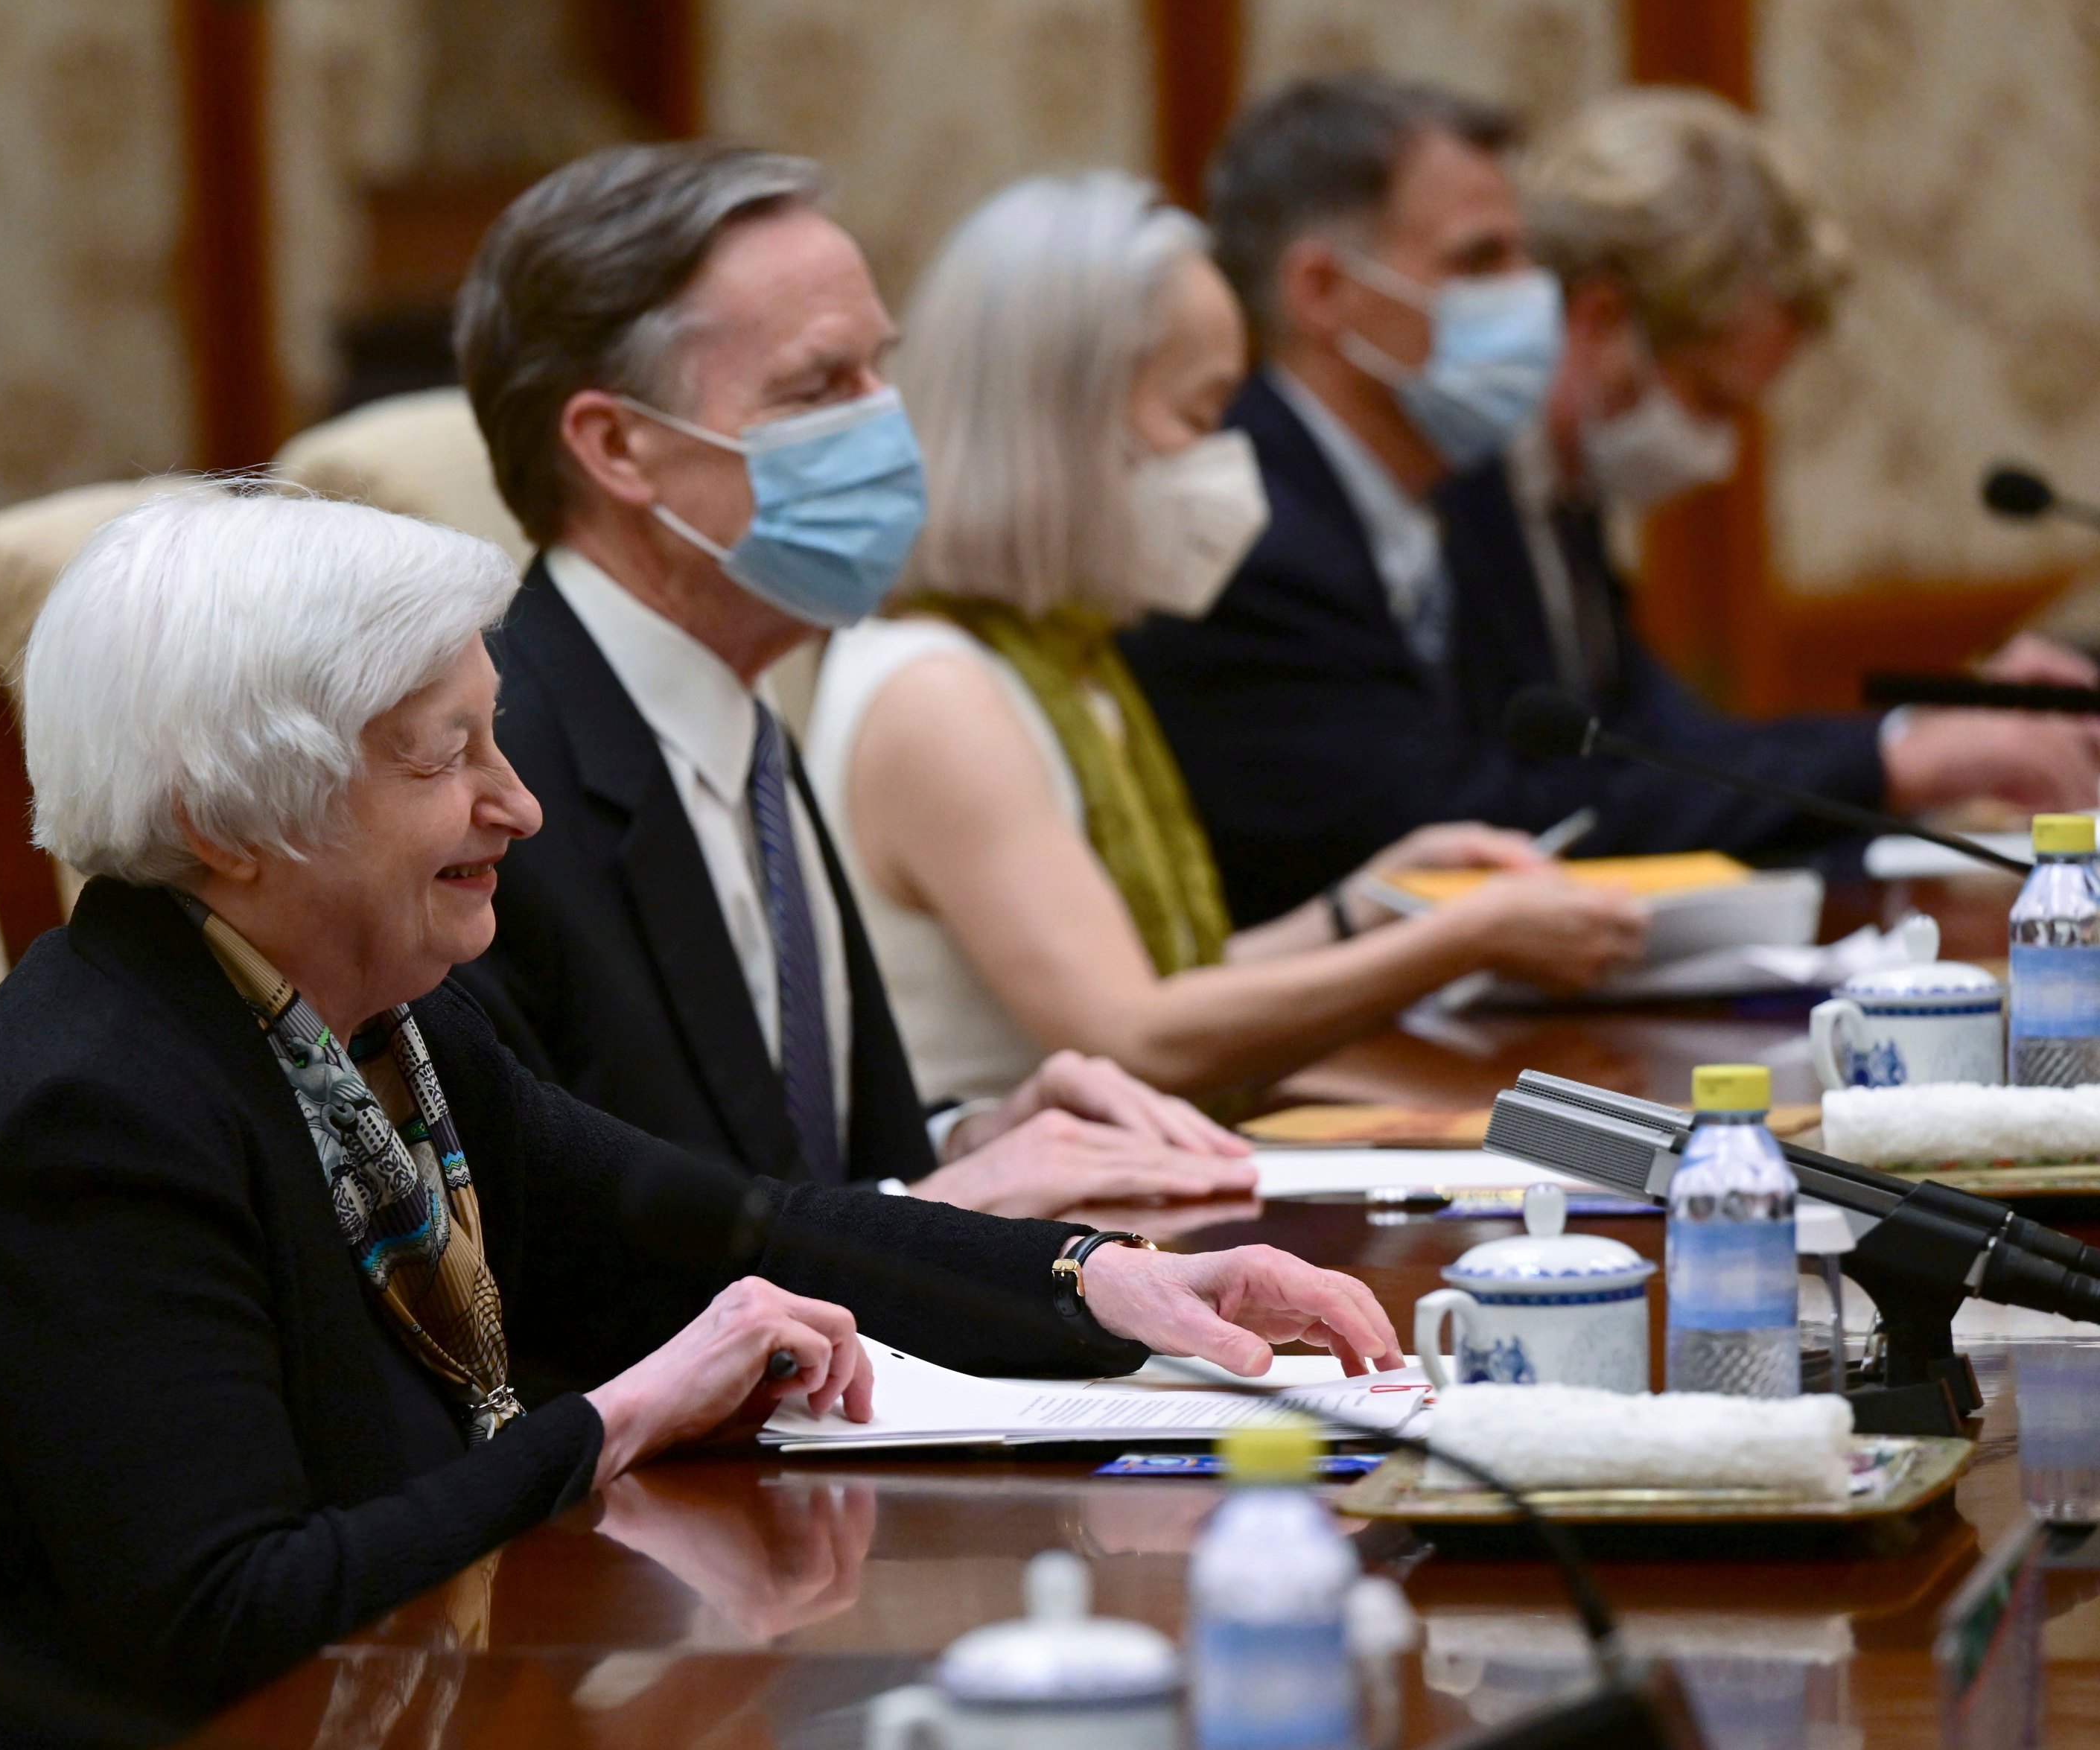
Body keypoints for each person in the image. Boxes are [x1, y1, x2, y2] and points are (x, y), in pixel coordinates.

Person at [0, 486, 1397, 1750]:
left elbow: (723, 1227)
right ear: (227, 819)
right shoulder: (97, 1112)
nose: (516, 805)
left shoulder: (382, 1026)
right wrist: (609, 1421)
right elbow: (225, 1611)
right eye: (447, 758)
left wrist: (1103, 1286)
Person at [448, 141, 1253, 1206]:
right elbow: (560, 1244)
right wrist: (923, 1214)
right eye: (820, 386)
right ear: (618, 447)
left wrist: (971, 1137)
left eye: (879, 368)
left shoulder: (739, 709)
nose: (885, 422)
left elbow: (786, 1160)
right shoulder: (492, 771)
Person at [1119, 74, 2100, 927]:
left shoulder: (1433, 487)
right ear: (1323, 291)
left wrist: (1912, 744)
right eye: (1480, 261)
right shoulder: (1253, 526)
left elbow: (1660, 749)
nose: (1529, 298)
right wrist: (1898, 757)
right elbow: (1468, 820)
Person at [804, 174, 1652, 1104]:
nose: (1226, 461)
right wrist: (1460, 939)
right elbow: (1130, 1040)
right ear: (1066, 424)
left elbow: (1157, 977)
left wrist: (1362, 905)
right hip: (1006, 1229)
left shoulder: (1069, 664)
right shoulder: (939, 693)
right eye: (1200, 416)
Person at [1518, 84, 2100, 707]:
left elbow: (1671, 747)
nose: (1718, 457)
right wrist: (1906, 752)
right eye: (1712, 400)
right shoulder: (1457, 500)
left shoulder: (1567, 505)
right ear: (1600, 319)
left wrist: (1925, 736)